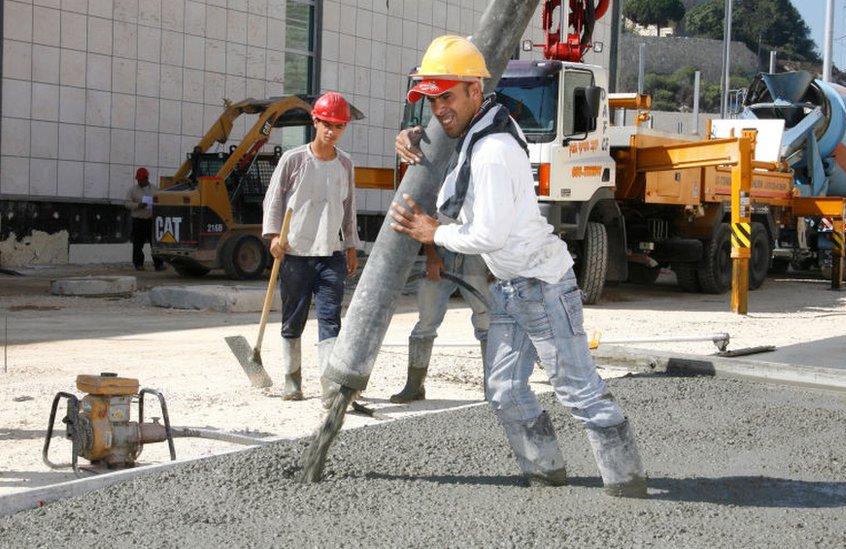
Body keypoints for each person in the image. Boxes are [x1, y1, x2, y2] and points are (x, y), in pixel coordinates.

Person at [390, 35, 646, 498]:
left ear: (473, 90)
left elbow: (486, 235)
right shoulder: (479, 128)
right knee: (505, 390)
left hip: (543, 286)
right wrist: (411, 136)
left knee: (577, 390)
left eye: (445, 96)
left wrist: (432, 232)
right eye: (430, 100)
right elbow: (447, 143)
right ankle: (545, 475)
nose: (438, 109)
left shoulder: (492, 150)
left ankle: (628, 484)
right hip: (509, 286)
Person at [262, 92, 360, 401]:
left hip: (331, 254)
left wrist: (351, 246)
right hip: (295, 255)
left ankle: (330, 385)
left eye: (339, 126)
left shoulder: (346, 164)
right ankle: (292, 380)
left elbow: (349, 208)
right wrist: (274, 237)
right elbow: (274, 200)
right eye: (327, 124)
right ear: (315, 121)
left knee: (331, 318)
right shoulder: (294, 160)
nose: (332, 131)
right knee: (294, 318)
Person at [388, 244, 491, 403]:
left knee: (487, 322)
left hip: (478, 252)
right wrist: (431, 256)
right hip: (442, 251)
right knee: (427, 320)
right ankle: (414, 386)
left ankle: (493, 389)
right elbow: (424, 220)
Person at [126, 167, 164, 271]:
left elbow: (160, 201)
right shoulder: (133, 190)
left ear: (146, 178)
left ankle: (159, 264)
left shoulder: (155, 189)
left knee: (155, 244)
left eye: (141, 179)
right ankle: (138, 264)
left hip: (151, 220)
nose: (139, 181)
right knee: (138, 244)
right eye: (138, 179)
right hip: (138, 220)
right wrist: (138, 205)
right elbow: (127, 204)